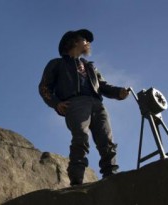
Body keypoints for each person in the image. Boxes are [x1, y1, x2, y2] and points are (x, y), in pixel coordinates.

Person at [39, 29, 129, 186]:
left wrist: (119, 92)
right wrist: (56, 103)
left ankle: (111, 174)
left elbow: (103, 86)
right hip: (75, 103)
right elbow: (44, 87)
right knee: (81, 137)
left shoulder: (90, 67)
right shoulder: (57, 64)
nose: (88, 43)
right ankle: (77, 180)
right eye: (85, 39)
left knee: (106, 140)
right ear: (74, 42)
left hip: (97, 104)